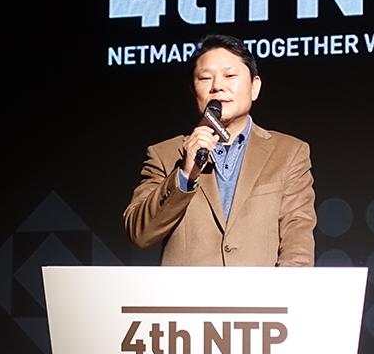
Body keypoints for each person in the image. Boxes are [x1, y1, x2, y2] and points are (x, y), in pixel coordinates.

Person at [123, 34, 316, 266]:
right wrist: (185, 174)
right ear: (193, 91)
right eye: (205, 78)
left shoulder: (289, 153)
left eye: (230, 76)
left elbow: (297, 243)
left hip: (260, 289)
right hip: (187, 290)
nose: (217, 86)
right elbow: (140, 234)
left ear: (254, 87)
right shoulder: (165, 154)